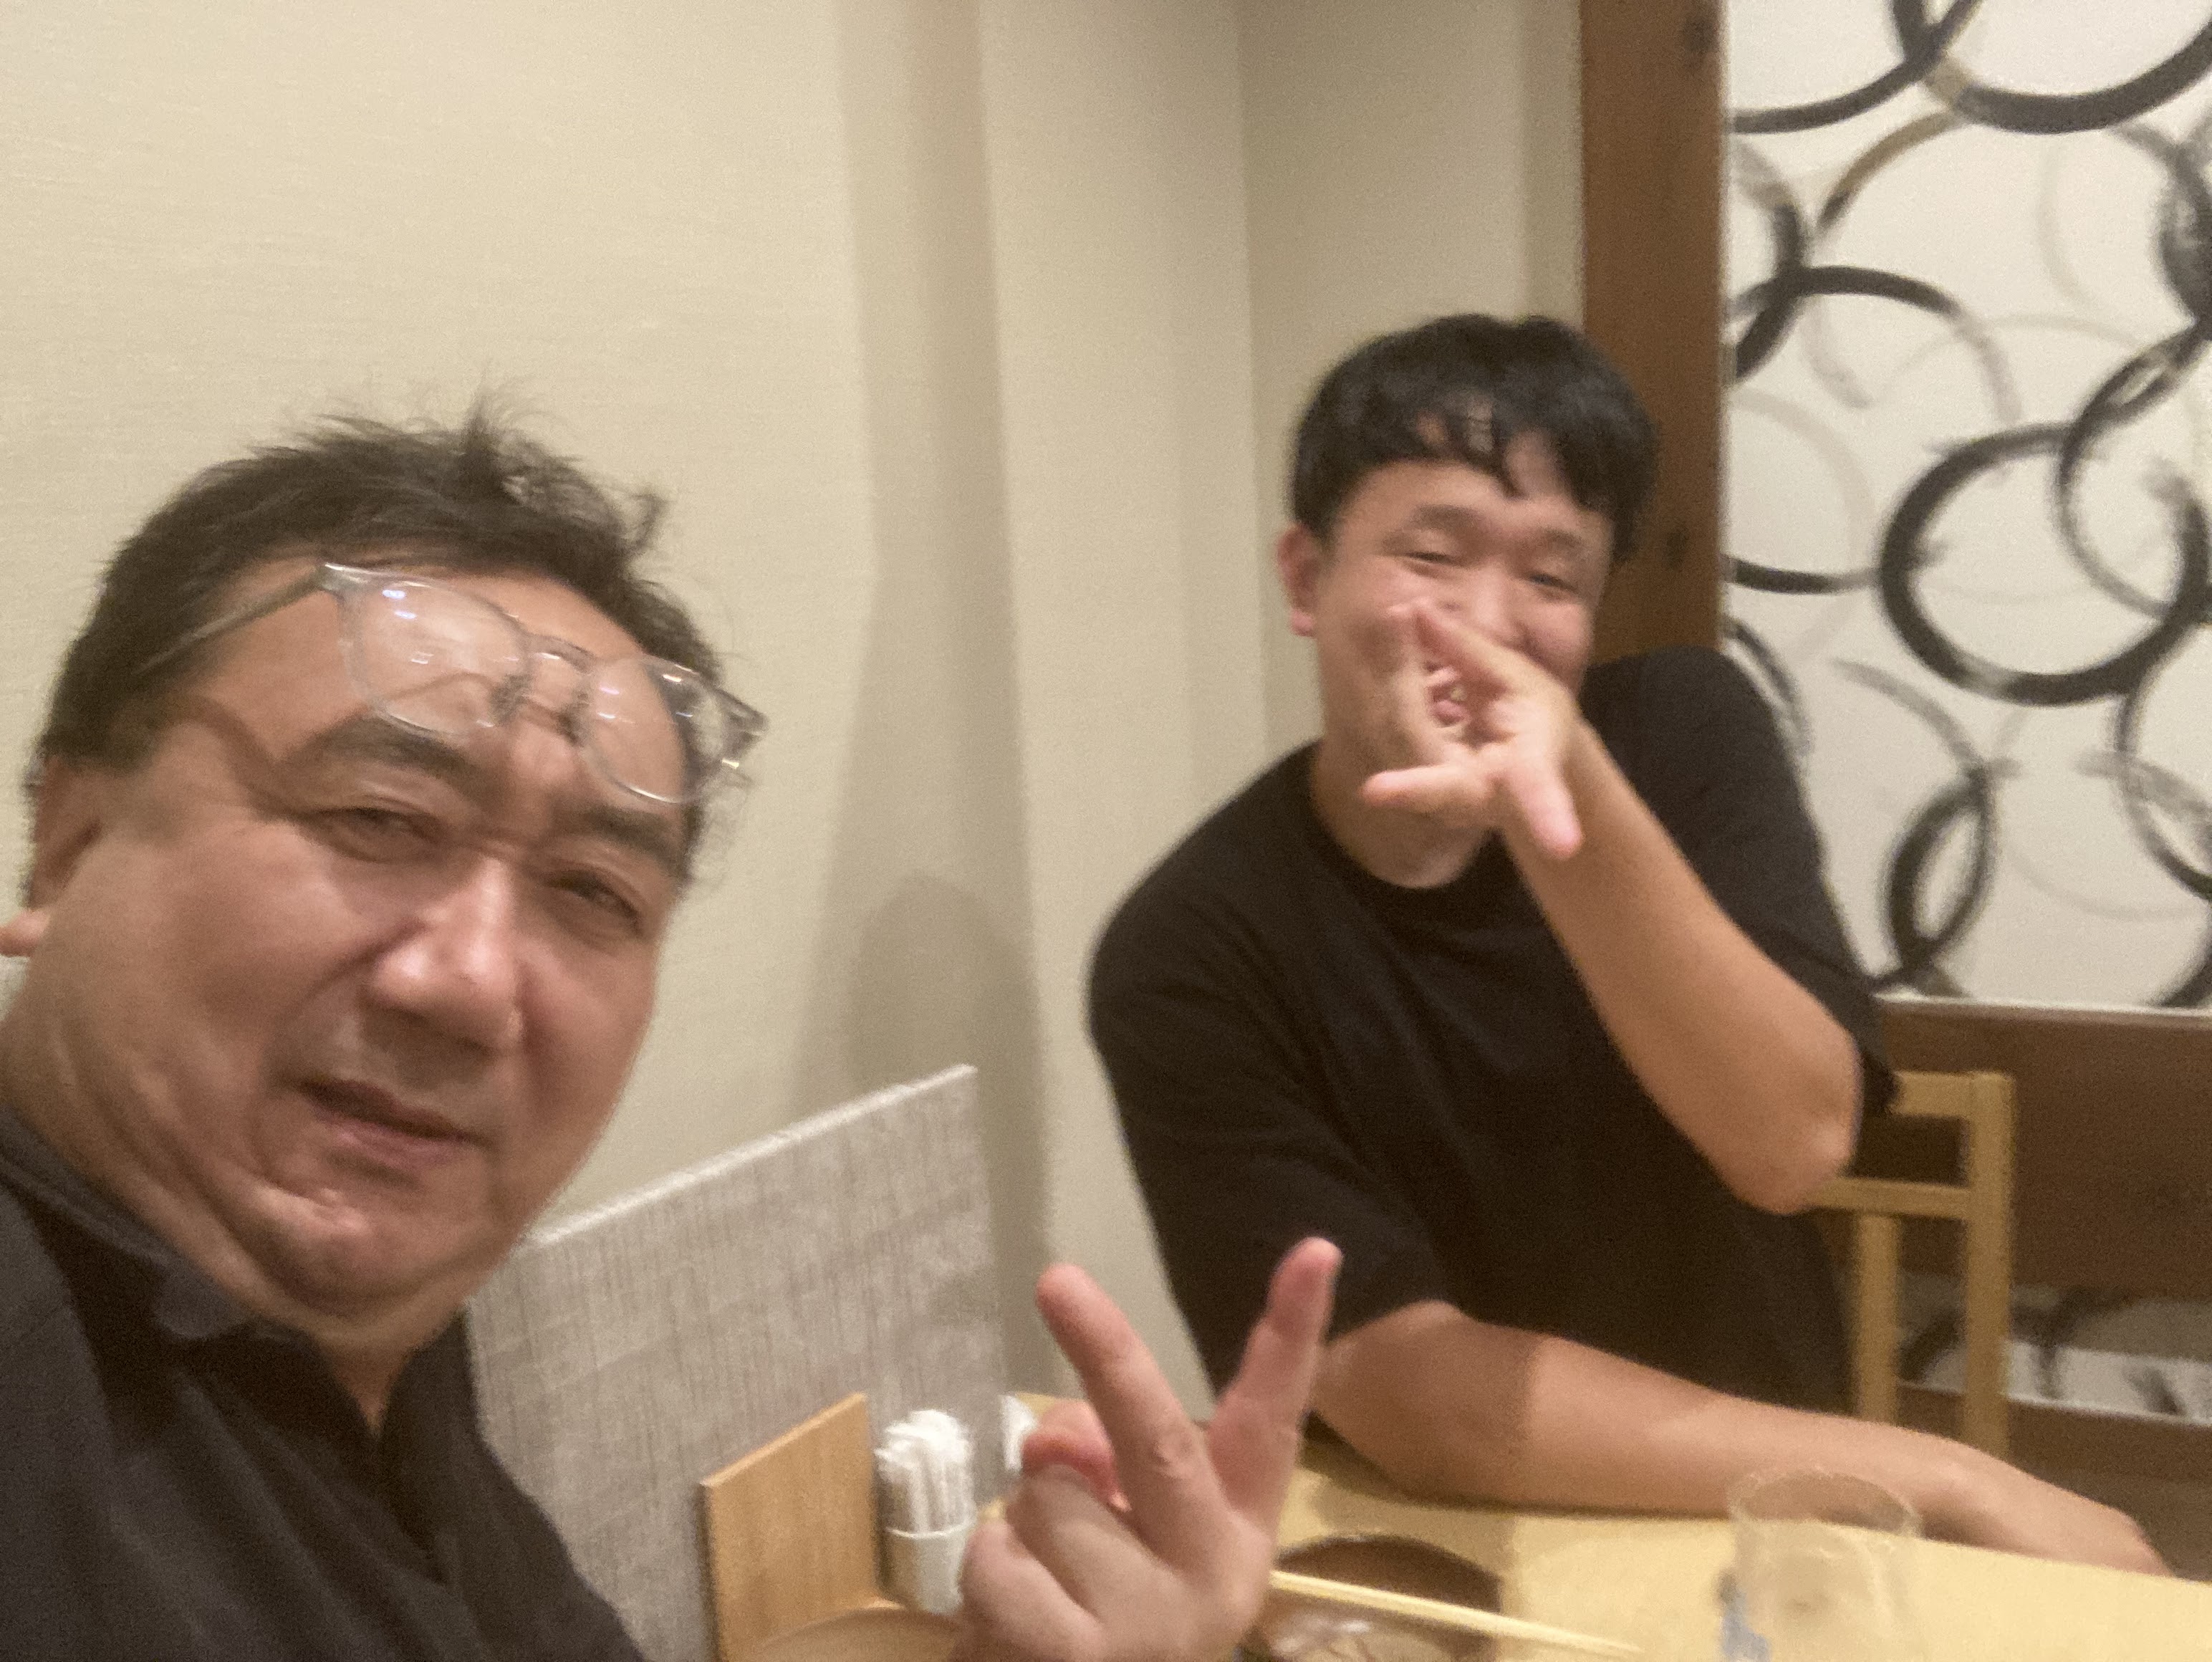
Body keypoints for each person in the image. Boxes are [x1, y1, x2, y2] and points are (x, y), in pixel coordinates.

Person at [0, 410, 1340, 1660]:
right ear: (70, 840)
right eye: (376, 819)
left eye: (593, 892)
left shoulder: (359, 1350)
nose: (471, 984)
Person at [1088, 314, 2164, 1572]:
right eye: (1432, 555)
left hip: (1767, 1516)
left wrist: (1568, 803)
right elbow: (1406, 1388)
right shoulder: (1189, 946)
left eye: (1552, 581)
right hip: (1425, 1556)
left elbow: (1793, 1143)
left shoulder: (1684, 734)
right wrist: (1954, 1478)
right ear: (1304, 578)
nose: (1489, 624)